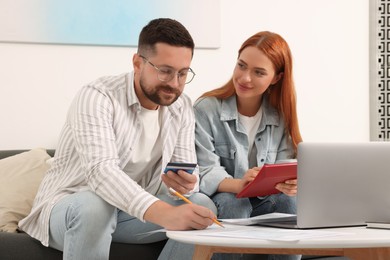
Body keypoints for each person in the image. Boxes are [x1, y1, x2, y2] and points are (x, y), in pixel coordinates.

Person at [18, 18, 217, 260]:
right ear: (137, 63)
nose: (174, 84)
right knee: (95, 206)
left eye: (183, 74)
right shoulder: (97, 97)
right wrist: (162, 212)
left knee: (201, 206)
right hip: (70, 210)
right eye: (165, 71)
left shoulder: (181, 106)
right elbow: (101, 172)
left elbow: (186, 177)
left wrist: (184, 186)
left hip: (127, 215)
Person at [194, 31, 302, 260]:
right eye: (241, 66)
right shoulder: (206, 109)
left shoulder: (280, 115)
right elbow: (205, 170)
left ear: (276, 77)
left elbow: (286, 167)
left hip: (266, 201)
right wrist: (238, 184)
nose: (245, 78)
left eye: (258, 72)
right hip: (224, 200)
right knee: (235, 203)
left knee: (290, 202)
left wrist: (291, 184)